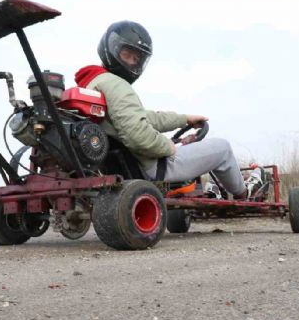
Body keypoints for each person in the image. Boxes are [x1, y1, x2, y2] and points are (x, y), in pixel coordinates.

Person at [74, 20, 247, 199]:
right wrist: (168, 147)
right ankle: (244, 195)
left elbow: (141, 118)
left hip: (128, 164)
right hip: (152, 167)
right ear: (111, 48)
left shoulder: (93, 83)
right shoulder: (118, 86)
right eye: (127, 55)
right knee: (223, 148)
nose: (132, 63)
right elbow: (137, 135)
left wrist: (184, 119)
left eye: (136, 59)